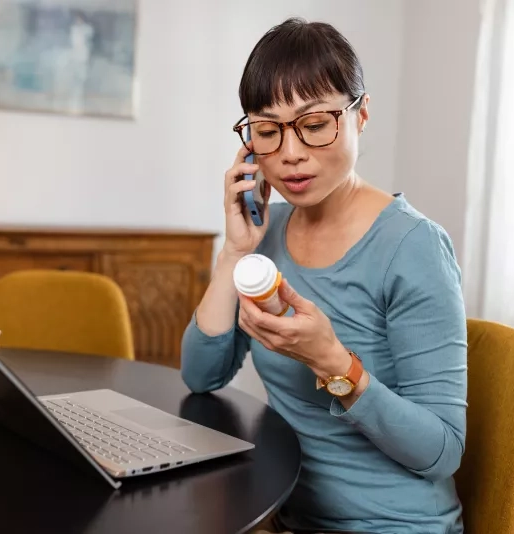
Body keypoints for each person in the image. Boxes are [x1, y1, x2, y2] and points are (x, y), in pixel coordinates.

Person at [180, 18, 467, 534]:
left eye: (314, 125)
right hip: (285, 513)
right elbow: (202, 376)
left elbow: (443, 450)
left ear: (361, 116)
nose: (290, 153)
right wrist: (234, 252)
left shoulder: (413, 247)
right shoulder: (267, 231)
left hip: (394, 524)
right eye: (267, 131)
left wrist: (332, 361)